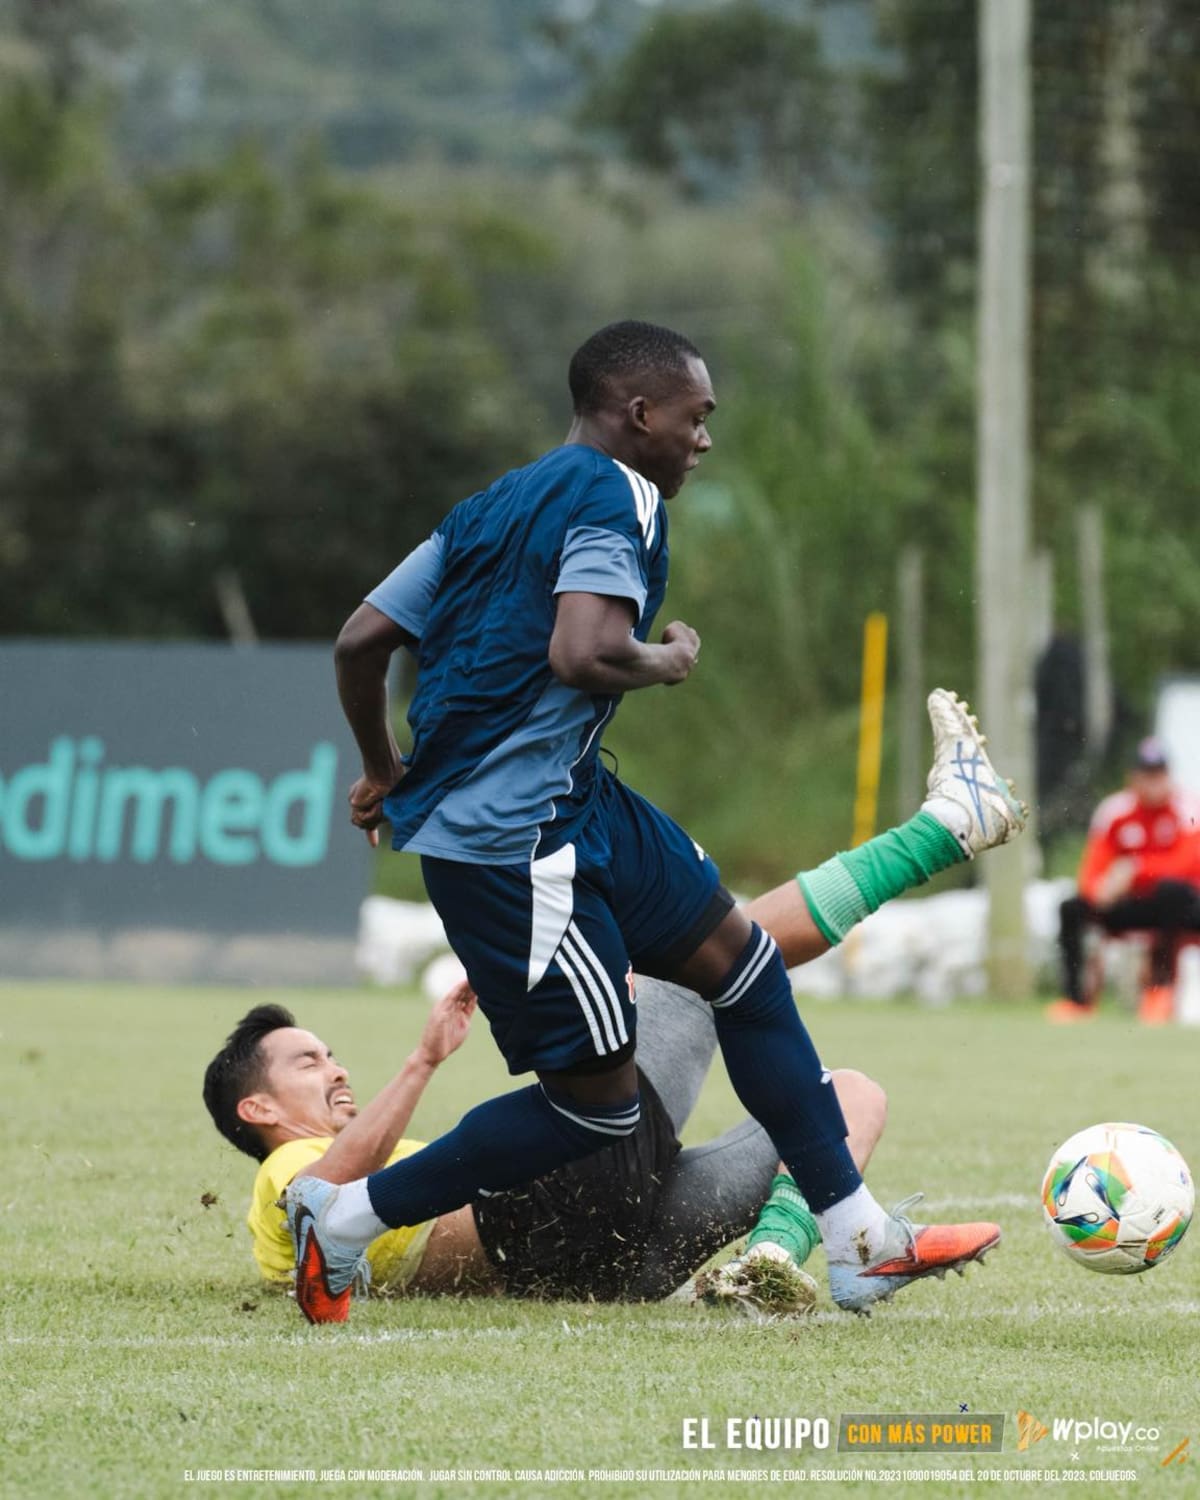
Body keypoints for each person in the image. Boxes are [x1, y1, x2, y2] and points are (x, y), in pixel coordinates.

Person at [289, 319, 1026, 1323]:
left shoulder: (489, 505)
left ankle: (858, 1241)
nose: (704, 439)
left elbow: (360, 640)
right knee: (596, 1112)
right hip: (517, 847)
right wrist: (668, 658)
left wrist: (384, 769)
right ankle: (343, 1218)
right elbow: (584, 651)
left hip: (576, 801)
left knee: (746, 967)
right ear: (640, 415)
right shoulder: (619, 493)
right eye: (696, 416)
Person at [203, 878, 891, 1315]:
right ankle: (930, 835)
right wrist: (422, 1060)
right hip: (564, 1209)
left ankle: (770, 1260)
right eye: (308, 1062)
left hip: (618, 1264)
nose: (336, 1070)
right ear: (258, 1110)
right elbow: (319, 1201)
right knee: (707, 956)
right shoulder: (282, 1173)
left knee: (851, 1097)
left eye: (331, 1055)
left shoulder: (352, 1160)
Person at [1048, 737, 1200, 1025]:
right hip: (1133, 904)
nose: (1153, 783)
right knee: (1072, 907)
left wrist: (1135, 870)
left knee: (1172, 893)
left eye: (1159, 774)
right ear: (1133, 777)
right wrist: (1098, 892)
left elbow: (1186, 866)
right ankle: (1076, 1000)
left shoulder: (1188, 809)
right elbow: (1092, 869)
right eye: (1146, 774)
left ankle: (1159, 990)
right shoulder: (1114, 811)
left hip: (1183, 907)